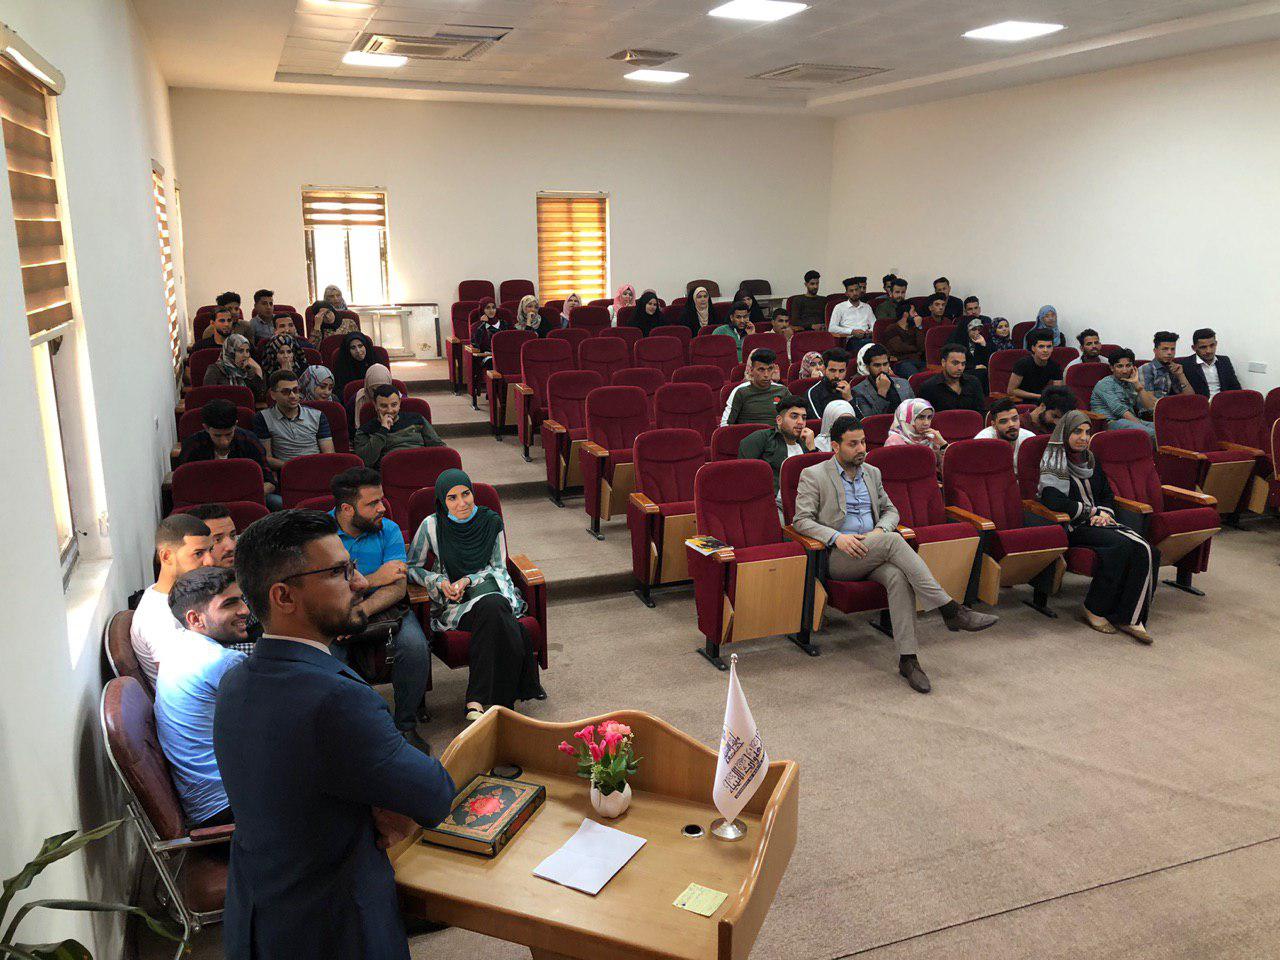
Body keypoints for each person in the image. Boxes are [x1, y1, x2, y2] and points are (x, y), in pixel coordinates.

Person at [214, 510, 455, 960]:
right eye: (339, 572)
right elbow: (434, 793)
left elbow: (301, 784)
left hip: (260, 916)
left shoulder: (236, 681)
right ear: (284, 596)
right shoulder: (335, 699)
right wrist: (385, 802)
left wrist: (372, 796)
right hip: (333, 926)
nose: (359, 583)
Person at [793, 415, 997, 693]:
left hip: (874, 548)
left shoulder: (872, 473)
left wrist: (880, 530)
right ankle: (950, 609)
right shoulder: (814, 475)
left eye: (863, 442)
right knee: (894, 541)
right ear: (835, 446)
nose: (861, 449)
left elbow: (891, 511)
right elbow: (801, 521)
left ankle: (908, 659)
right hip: (840, 556)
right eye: (853, 444)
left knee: (898, 577)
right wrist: (837, 537)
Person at [408, 469, 544, 723]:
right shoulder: (432, 526)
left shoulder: (490, 521)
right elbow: (412, 567)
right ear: (442, 500)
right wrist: (439, 582)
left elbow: (500, 568)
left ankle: (476, 700)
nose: (462, 503)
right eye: (452, 498)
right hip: (457, 603)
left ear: (473, 493)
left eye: (466, 494)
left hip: (492, 590)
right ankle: (505, 703)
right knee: (499, 616)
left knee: (493, 606)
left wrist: (469, 579)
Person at [328, 469, 434, 753]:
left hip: (384, 607)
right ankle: (351, 732)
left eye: (382, 499)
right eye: (373, 503)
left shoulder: (388, 529)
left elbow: (397, 588)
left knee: (415, 647)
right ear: (347, 509)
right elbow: (323, 590)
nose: (382, 508)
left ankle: (405, 726)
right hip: (336, 610)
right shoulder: (320, 535)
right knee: (327, 659)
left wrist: (361, 609)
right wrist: (376, 578)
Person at [1038, 411, 1157, 642]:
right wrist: (1092, 512)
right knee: (1123, 546)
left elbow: (1106, 494)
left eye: (1087, 432)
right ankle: (1094, 608)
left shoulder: (1091, 460)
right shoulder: (1053, 461)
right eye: (1077, 432)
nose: (1083, 438)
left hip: (1099, 523)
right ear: (1064, 433)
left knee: (1148, 549)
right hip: (1072, 527)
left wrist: (1104, 514)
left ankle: (1128, 616)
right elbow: (1052, 501)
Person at [157, 567, 249, 828]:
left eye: (242, 600)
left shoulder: (177, 645)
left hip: (206, 803)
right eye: (230, 604)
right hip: (229, 806)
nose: (244, 610)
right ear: (195, 619)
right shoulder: (223, 662)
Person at [131, 514, 216, 684]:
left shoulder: (171, 594)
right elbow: (181, 682)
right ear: (166, 557)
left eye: (210, 550)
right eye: (198, 553)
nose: (210, 561)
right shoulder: (159, 618)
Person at [184, 503, 261, 654]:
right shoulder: (188, 594)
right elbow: (213, 653)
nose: (231, 546)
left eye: (232, 535)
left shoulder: (239, 570)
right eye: (217, 540)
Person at [180, 400, 278, 505]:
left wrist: (251, 495)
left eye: (228, 434)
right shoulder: (193, 446)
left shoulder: (249, 441)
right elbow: (184, 483)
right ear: (206, 428)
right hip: (206, 501)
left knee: (277, 503)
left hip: (245, 498)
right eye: (217, 435)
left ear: (235, 425)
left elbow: (270, 482)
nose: (224, 442)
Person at [737, 395, 816, 512]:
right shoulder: (761, 439)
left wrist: (812, 450)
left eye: (804, 418)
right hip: (773, 505)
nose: (800, 422)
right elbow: (743, 476)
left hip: (807, 504)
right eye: (794, 416)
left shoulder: (806, 444)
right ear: (779, 420)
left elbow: (818, 480)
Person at [254, 370, 335, 471]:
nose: (292, 396)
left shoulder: (317, 416)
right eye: (286, 392)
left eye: (296, 390)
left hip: (317, 469)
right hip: (287, 471)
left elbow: (329, 454)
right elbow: (267, 458)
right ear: (273, 395)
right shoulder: (263, 417)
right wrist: (294, 467)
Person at [355, 385, 445, 466]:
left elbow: (438, 446)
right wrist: (383, 430)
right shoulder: (365, 431)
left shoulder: (417, 419)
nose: (390, 410)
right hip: (391, 471)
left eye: (394, 405)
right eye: (384, 406)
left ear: (399, 403)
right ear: (375, 405)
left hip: (421, 465)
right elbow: (365, 461)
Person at [1090, 348, 1157, 438]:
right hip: (1111, 423)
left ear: (1133, 367)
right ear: (1112, 368)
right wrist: (1141, 426)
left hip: (1130, 421)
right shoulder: (1104, 384)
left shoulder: (1131, 382)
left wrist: (1138, 385)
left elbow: (1150, 408)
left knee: (1165, 429)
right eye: (1120, 366)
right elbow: (1119, 410)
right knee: (1153, 433)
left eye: (1128, 366)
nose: (1125, 371)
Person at [721, 349, 789, 425]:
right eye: (761, 369)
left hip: (776, 432)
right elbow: (725, 424)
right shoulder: (740, 391)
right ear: (751, 371)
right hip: (750, 432)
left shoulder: (782, 390)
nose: (766, 375)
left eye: (770, 369)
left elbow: (794, 417)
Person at [918, 344, 986, 413]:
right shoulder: (928, 387)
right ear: (943, 362)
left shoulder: (973, 382)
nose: (960, 368)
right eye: (955, 363)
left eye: (963, 364)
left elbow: (981, 412)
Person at [851, 344, 914, 418]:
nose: (882, 369)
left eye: (885, 364)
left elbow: (914, 411)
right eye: (877, 365)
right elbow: (871, 420)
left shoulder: (904, 383)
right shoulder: (858, 391)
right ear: (868, 367)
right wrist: (882, 393)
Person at [885, 397, 947, 469]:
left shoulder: (931, 437)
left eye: (929, 417)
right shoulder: (894, 441)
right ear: (906, 419)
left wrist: (943, 444)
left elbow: (946, 471)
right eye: (921, 417)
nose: (926, 423)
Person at [1181, 327, 1241, 398]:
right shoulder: (1186, 364)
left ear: (1216, 343)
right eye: (1203, 347)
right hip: (1201, 403)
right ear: (1194, 348)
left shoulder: (1224, 361)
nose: (1209, 351)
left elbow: (1235, 388)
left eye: (1212, 345)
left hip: (1223, 402)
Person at [203, 333, 265, 400]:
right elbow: (209, 396)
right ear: (230, 352)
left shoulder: (247, 369)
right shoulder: (214, 369)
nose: (246, 355)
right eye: (240, 351)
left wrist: (258, 369)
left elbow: (260, 396)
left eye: (247, 351)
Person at [1008, 330, 1064, 401]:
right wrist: (1038, 396)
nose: (1045, 350)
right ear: (1033, 348)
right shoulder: (1022, 364)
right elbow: (1011, 390)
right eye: (1041, 347)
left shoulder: (1055, 366)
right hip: (1021, 400)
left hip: (1043, 401)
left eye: (1049, 346)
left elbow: (1057, 391)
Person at [1140, 331, 1194, 400]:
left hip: (1175, 405)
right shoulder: (1147, 369)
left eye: (1172, 349)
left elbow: (1191, 398)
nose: (1169, 353)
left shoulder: (1175, 368)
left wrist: (1181, 375)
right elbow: (1148, 401)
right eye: (1165, 349)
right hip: (1156, 406)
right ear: (1155, 351)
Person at [804, 348, 852, 420]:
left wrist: (849, 399)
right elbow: (818, 423)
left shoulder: (849, 391)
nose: (837, 376)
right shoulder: (813, 393)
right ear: (824, 369)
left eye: (841, 371)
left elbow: (861, 421)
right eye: (832, 370)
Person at [828, 276, 874, 352]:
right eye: (851, 291)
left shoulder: (867, 307)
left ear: (860, 291)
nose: (855, 293)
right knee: (870, 345)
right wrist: (852, 332)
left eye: (856, 290)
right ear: (846, 293)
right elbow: (832, 328)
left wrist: (869, 331)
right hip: (850, 339)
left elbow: (874, 324)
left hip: (867, 337)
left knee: (875, 343)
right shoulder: (839, 307)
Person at [880, 303, 927, 376]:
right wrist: (916, 350)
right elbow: (899, 348)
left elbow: (922, 347)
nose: (916, 314)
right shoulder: (892, 329)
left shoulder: (914, 328)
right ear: (905, 314)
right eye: (913, 312)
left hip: (918, 360)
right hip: (901, 363)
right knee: (915, 377)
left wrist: (919, 327)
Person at [948, 318, 991, 391]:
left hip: (977, 370)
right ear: (966, 329)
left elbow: (985, 361)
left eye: (979, 329)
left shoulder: (978, 340)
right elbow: (954, 361)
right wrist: (974, 367)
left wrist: (983, 345)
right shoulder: (956, 341)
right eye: (973, 329)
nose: (977, 332)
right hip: (960, 370)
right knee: (980, 374)